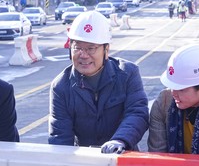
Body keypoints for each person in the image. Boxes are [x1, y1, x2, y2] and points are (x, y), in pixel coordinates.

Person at [48, 10, 148, 153]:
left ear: (106, 50)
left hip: (123, 157)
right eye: (78, 47)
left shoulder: (127, 74)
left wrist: (120, 140)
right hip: (85, 161)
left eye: (91, 48)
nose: (83, 55)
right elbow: (60, 136)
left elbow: (137, 113)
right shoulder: (61, 86)